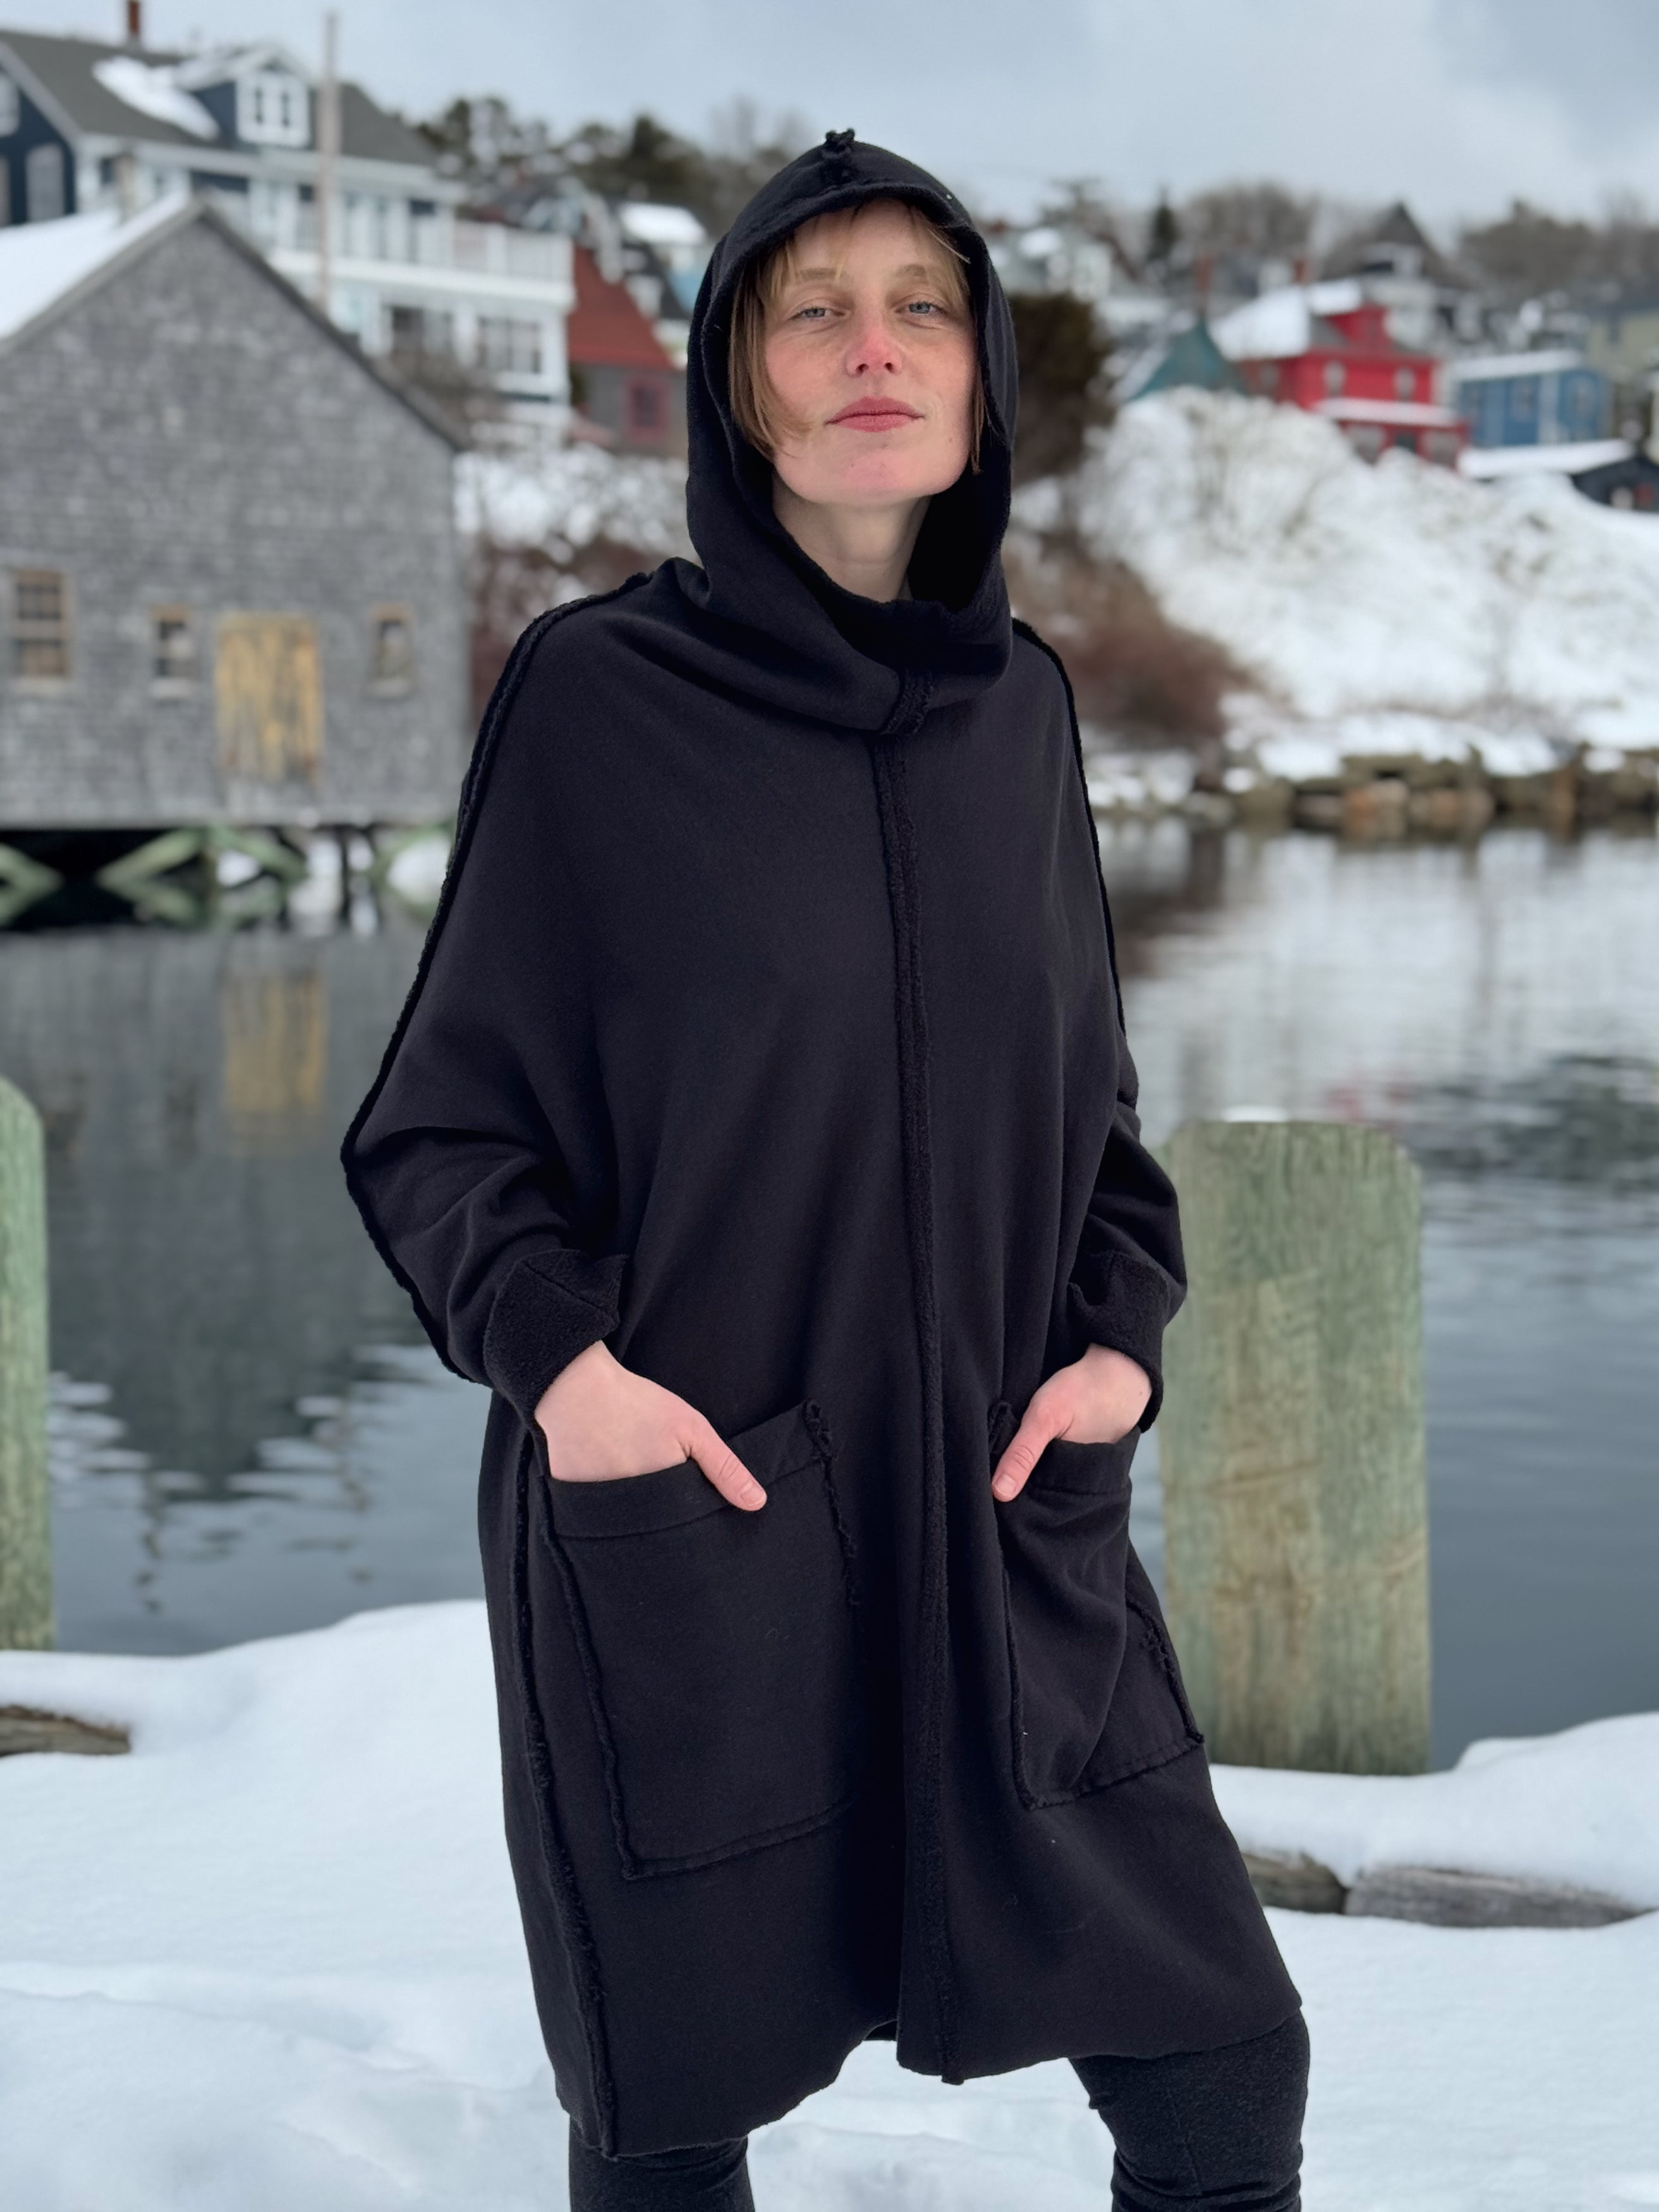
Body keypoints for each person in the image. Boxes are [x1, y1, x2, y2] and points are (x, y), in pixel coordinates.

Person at [343, 133, 1308, 2212]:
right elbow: (436, 1127)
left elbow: (1093, 1121)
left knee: (1223, 2065)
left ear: (979, 381)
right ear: (740, 382)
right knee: (677, 2105)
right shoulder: (598, 696)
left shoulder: (1024, 709)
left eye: (922, 308)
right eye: (814, 311)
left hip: (1002, 1527)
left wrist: (1116, 1349)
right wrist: (569, 1378)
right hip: (706, 1522)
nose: (875, 348)